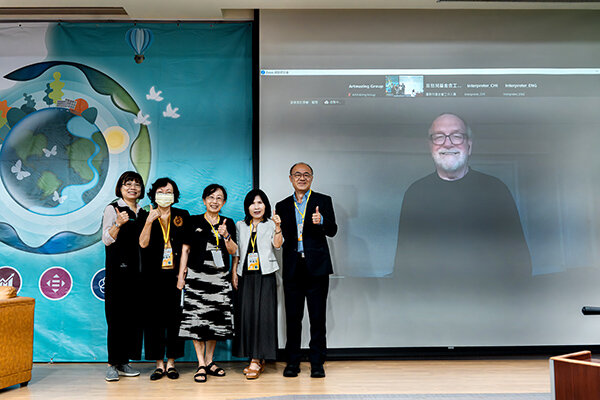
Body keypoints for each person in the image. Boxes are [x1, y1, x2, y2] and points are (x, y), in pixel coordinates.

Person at [395, 113, 532, 295]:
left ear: (469, 145)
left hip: (489, 303)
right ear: (430, 146)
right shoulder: (415, 193)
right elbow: (403, 265)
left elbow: (520, 260)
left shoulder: (496, 190)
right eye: (439, 136)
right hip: (432, 305)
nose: (448, 143)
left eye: (457, 135)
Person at [275, 162, 337, 378]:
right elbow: (281, 238)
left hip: (317, 268)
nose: (302, 178)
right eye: (297, 175)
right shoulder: (282, 205)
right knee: (293, 318)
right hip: (293, 267)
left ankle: (317, 362)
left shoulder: (323, 201)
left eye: (306, 175)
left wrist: (322, 221)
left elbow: (333, 230)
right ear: (290, 178)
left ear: (312, 178)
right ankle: (292, 362)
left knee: (318, 318)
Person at [177, 184, 237, 383]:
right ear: (204, 200)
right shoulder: (193, 221)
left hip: (219, 279)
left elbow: (233, 251)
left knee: (214, 321)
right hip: (196, 278)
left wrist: (226, 235)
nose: (215, 201)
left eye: (219, 198)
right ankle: (201, 363)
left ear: (224, 202)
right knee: (196, 321)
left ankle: (210, 361)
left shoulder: (228, 223)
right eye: (211, 197)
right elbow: (185, 250)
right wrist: (181, 276)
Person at [139, 178, 188, 381]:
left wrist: (181, 275)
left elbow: (185, 248)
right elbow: (142, 244)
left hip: (174, 276)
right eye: (161, 191)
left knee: (174, 320)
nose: (165, 195)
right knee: (154, 321)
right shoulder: (145, 214)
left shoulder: (182, 215)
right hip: (152, 277)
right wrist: (149, 221)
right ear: (154, 194)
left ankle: (172, 363)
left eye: (169, 192)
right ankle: (159, 364)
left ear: (174, 196)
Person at [232, 189, 283, 379]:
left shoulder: (271, 224)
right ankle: (256, 358)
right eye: (252, 203)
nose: (256, 206)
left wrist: (278, 227)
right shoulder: (240, 225)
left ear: (265, 206)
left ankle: (256, 359)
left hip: (265, 275)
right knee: (248, 316)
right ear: (247, 207)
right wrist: (234, 272)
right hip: (245, 275)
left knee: (264, 317)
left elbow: (278, 245)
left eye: (260, 203)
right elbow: (237, 251)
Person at [101, 171, 147, 382]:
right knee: (116, 318)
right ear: (120, 188)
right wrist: (118, 223)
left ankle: (124, 362)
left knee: (132, 318)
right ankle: (112, 364)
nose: (132, 188)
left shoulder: (143, 212)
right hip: (118, 272)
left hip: (138, 273)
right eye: (128, 184)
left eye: (136, 184)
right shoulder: (113, 209)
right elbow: (106, 240)